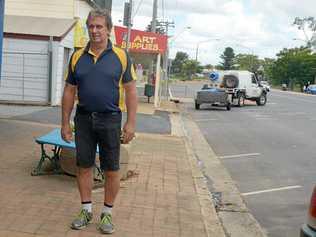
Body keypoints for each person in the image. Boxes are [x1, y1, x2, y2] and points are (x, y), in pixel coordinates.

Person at [61, 9, 137, 234]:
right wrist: (65, 123)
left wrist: (131, 123)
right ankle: (86, 210)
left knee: (112, 169)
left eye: (99, 27)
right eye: (91, 26)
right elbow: (69, 91)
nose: (95, 31)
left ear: (109, 29)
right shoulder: (77, 57)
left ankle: (107, 214)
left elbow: (131, 91)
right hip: (83, 119)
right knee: (83, 166)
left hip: (111, 119)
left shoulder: (121, 56)